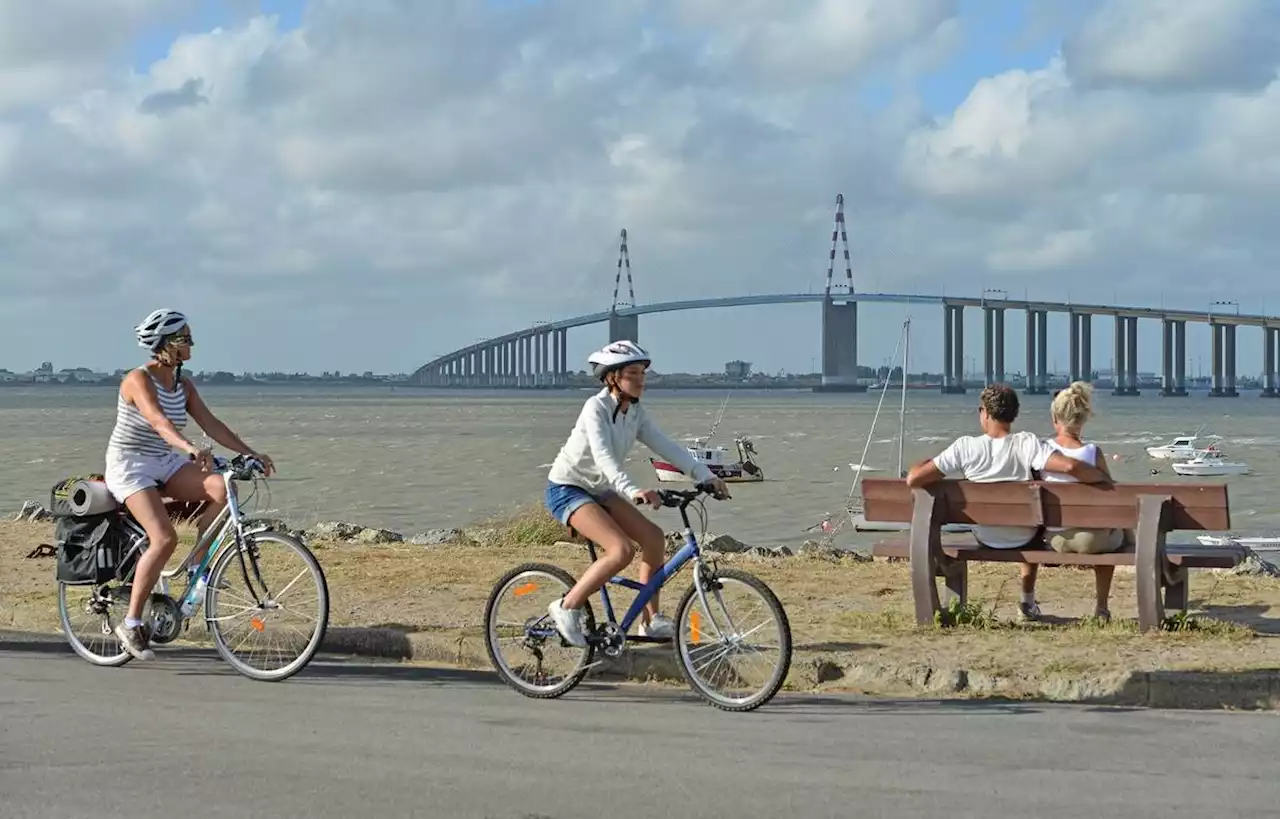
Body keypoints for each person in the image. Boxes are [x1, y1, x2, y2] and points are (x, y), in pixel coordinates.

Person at [105, 309, 275, 661]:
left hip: (163, 461)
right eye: (183, 339)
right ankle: (132, 622)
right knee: (164, 538)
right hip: (130, 466)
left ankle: (198, 564)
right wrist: (188, 447)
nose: (191, 344)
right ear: (163, 345)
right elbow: (158, 422)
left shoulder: (183, 385)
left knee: (221, 488)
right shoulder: (137, 380)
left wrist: (251, 453)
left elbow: (212, 424)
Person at [544, 340, 729, 646]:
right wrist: (633, 490)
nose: (641, 379)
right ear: (613, 377)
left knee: (654, 538)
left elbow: (666, 446)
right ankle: (566, 606)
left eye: (643, 372)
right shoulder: (596, 408)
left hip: (601, 489)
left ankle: (650, 621)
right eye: (633, 372)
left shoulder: (635, 413)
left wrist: (706, 475)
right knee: (621, 551)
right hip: (568, 488)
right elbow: (603, 456)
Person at [905, 383, 1110, 621]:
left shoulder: (964, 448)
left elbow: (914, 479)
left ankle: (972, 607)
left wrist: (927, 462)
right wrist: (1103, 478)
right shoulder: (1026, 443)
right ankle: (1027, 601)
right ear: (1013, 414)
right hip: (1024, 536)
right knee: (1035, 525)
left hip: (985, 536)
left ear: (986, 413)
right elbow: (1070, 466)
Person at [1040, 381, 1128, 622]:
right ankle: (1101, 607)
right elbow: (1112, 495)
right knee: (1119, 528)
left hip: (1055, 540)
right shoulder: (1092, 453)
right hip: (1091, 542)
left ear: (1055, 417)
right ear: (1084, 419)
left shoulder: (1041, 451)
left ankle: (1027, 599)